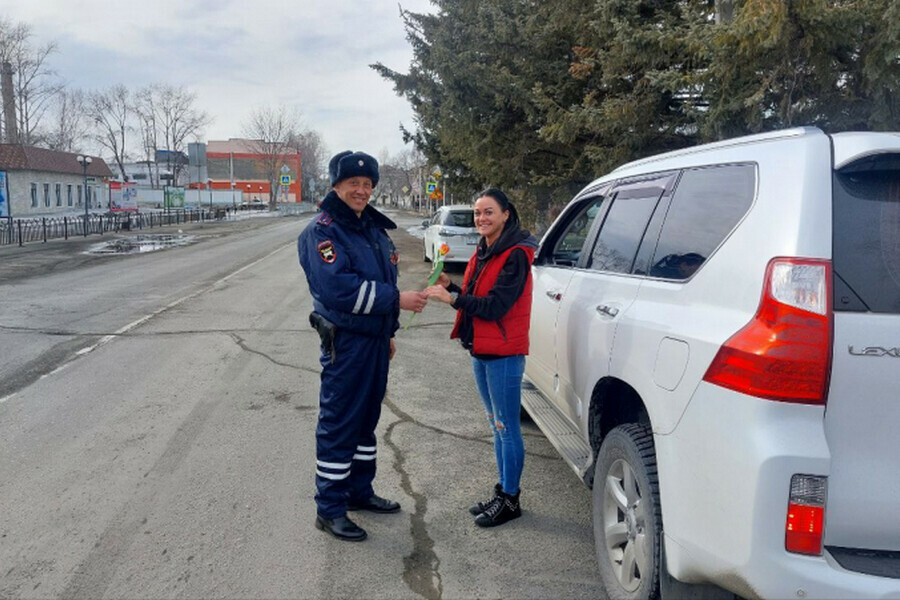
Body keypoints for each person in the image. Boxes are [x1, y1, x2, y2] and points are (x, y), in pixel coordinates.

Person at [298, 150, 428, 542]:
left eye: (367, 184)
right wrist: (396, 301)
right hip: (347, 343)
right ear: (336, 185)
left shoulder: (371, 228)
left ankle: (359, 491)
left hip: (372, 342)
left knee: (366, 420)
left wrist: (387, 331)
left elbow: (381, 274)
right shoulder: (322, 232)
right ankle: (330, 508)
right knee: (340, 423)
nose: (361, 190)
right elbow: (339, 290)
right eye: (353, 183)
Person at [424, 188, 538, 527]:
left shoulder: (516, 254)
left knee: (507, 428)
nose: (481, 219)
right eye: (477, 213)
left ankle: (511, 500)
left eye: (488, 212)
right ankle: (502, 491)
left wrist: (452, 300)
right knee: (496, 426)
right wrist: (453, 287)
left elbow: (496, 307)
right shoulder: (486, 249)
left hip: (503, 354)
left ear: (506, 214)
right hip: (481, 349)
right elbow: (474, 297)